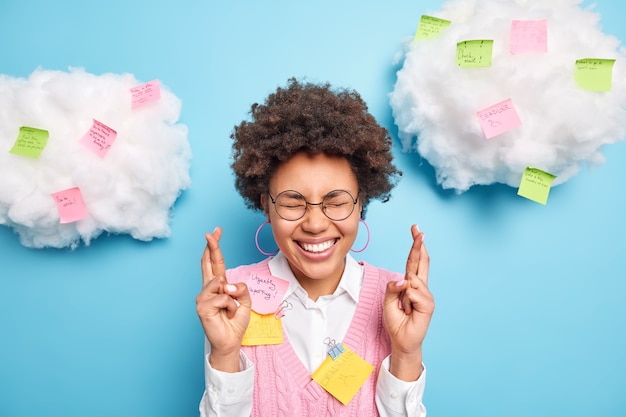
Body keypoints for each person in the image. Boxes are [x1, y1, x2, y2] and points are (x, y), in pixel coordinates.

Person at [196, 78, 434, 417]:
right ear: (266, 205)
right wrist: (224, 353)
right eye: (293, 202)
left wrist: (407, 352)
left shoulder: (398, 299)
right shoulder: (230, 297)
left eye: (335, 201)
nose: (315, 223)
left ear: (360, 203)